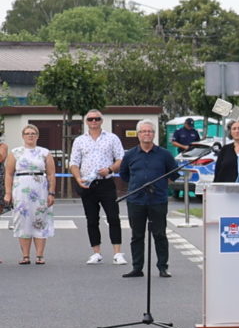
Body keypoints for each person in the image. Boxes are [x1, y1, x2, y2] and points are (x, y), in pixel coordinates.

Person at [117, 119, 180, 279]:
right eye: (144, 131)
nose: (147, 134)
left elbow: (173, 174)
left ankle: (163, 267)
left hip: (158, 200)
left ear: (154, 134)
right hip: (136, 200)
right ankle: (137, 268)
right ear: (138, 134)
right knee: (137, 235)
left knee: (159, 234)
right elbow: (124, 174)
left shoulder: (164, 154)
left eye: (150, 131)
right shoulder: (130, 155)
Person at [68, 108, 125, 266]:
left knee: (113, 217)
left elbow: (121, 158)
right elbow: (73, 162)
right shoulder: (80, 140)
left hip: (106, 181)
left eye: (97, 119)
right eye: (91, 119)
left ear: (102, 120)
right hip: (88, 183)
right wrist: (78, 178)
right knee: (92, 219)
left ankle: (117, 252)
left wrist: (110, 169)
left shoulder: (112, 138)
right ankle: (96, 252)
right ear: (86, 121)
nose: (94, 122)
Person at [9, 122, 54, 264]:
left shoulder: (45, 153)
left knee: (40, 221)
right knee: (22, 222)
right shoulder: (15, 153)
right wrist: (8, 193)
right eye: (27, 134)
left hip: (40, 190)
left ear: (37, 136)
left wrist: (51, 192)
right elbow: (9, 174)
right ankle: (25, 256)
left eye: (33, 134)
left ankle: (40, 255)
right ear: (23, 136)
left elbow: (51, 174)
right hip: (20, 189)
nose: (30, 136)